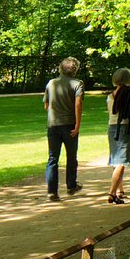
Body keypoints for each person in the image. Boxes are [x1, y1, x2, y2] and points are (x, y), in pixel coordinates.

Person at [42, 58, 85, 201]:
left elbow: (46, 105)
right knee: (71, 156)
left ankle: (52, 191)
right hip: (69, 124)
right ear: (75, 69)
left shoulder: (51, 83)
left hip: (53, 125)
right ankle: (71, 185)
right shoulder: (77, 83)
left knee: (52, 158)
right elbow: (78, 105)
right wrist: (78, 125)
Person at [104, 67, 130, 204]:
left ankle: (120, 190)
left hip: (112, 128)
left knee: (116, 159)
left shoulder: (110, 95)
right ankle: (112, 193)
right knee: (121, 162)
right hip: (125, 128)